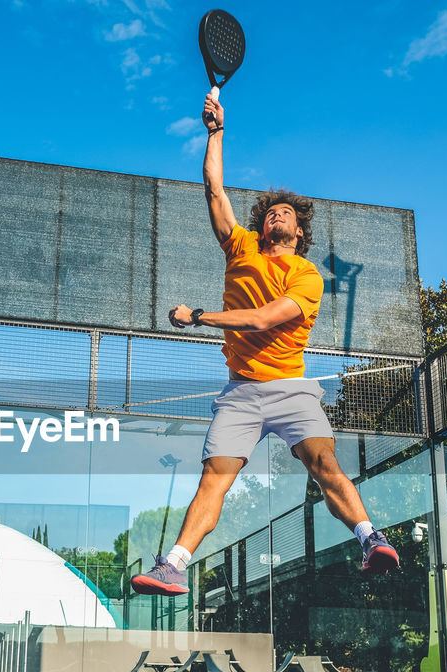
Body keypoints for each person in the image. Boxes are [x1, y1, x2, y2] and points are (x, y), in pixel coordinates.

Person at [130, 94, 398, 597]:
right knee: (215, 477)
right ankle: (174, 565)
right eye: (269, 211)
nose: (274, 215)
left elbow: (260, 320)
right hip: (241, 394)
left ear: (299, 230)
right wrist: (215, 132)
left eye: (284, 214)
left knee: (324, 465)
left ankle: (371, 539)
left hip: (291, 389)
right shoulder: (243, 247)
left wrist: (198, 316)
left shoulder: (307, 276)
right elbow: (213, 191)